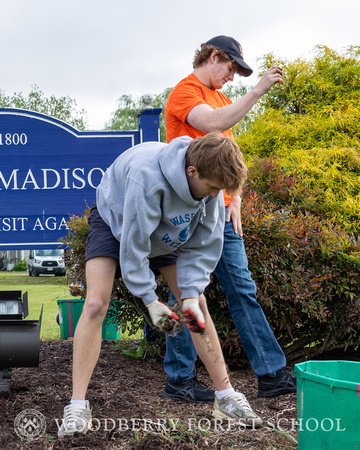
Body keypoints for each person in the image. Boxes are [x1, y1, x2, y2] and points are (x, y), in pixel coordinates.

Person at [58, 132, 263, 439]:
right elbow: (134, 246)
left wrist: (191, 293)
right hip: (118, 218)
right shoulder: (147, 178)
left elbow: (204, 246)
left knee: (197, 305)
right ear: (192, 171)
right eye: (211, 188)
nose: (213, 195)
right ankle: (76, 406)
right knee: (96, 302)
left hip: (167, 229)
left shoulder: (212, 186)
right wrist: (151, 301)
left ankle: (226, 396)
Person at [162, 35, 296, 402]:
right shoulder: (184, 94)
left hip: (220, 212)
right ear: (214, 56)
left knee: (242, 288)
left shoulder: (221, 96)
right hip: (187, 212)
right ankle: (180, 379)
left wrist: (233, 195)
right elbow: (212, 124)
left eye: (238, 73)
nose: (232, 78)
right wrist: (257, 91)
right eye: (231, 68)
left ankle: (270, 375)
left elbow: (230, 153)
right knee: (185, 292)